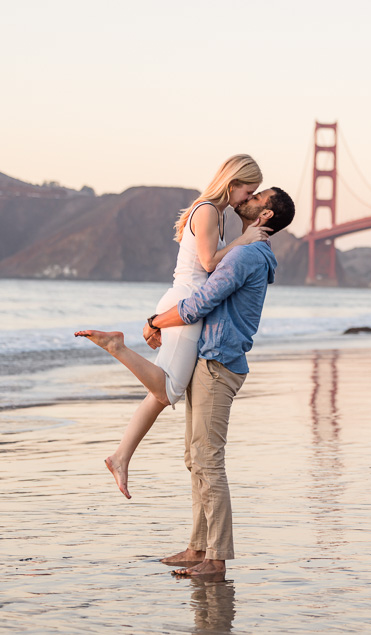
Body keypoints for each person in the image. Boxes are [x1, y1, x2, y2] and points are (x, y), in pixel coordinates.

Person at [79, 186, 295, 578]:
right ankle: (198, 547)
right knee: (195, 458)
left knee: (208, 460)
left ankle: (216, 558)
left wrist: (153, 322)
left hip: (218, 362)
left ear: (265, 216)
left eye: (257, 196)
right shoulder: (249, 250)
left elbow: (200, 303)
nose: (248, 198)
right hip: (211, 359)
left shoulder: (247, 254)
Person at [76, 154, 268, 499]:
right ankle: (116, 346)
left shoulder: (214, 213)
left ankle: (120, 456)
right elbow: (209, 262)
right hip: (186, 307)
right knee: (168, 391)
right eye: (248, 191)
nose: (247, 199)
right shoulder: (209, 210)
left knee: (159, 393)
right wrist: (248, 238)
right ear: (234, 181)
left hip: (183, 304)